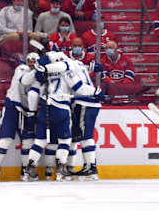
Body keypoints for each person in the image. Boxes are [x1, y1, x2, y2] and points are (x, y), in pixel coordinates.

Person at [25, 52, 103, 181]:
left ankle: (30, 166)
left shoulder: (44, 70)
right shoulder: (67, 69)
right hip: (61, 107)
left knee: (40, 141)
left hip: (45, 107)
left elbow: (33, 88)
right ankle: (61, 168)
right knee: (65, 141)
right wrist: (95, 91)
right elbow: (78, 87)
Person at [0, 52, 39, 181]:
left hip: (27, 111)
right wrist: (39, 69)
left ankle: (25, 171)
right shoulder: (21, 69)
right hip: (12, 107)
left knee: (28, 142)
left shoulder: (39, 75)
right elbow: (24, 82)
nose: (32, 63)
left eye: (35, 61)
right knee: (6, 139)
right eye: (30, 60)